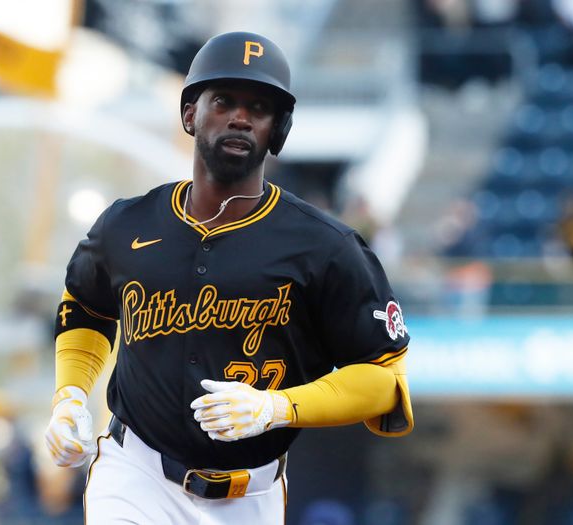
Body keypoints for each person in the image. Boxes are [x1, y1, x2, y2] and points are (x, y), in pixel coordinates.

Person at [43, 31, 413, 524]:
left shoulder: (327, 246)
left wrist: (280, 408)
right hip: (136, 475)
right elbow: (86, 310)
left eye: (259, 107)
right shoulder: (125, 224)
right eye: (223, 100)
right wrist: (69, 394)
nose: (240, 116)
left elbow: (385, 380)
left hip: (251, 495)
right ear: (190, 114)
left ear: (277, 130)